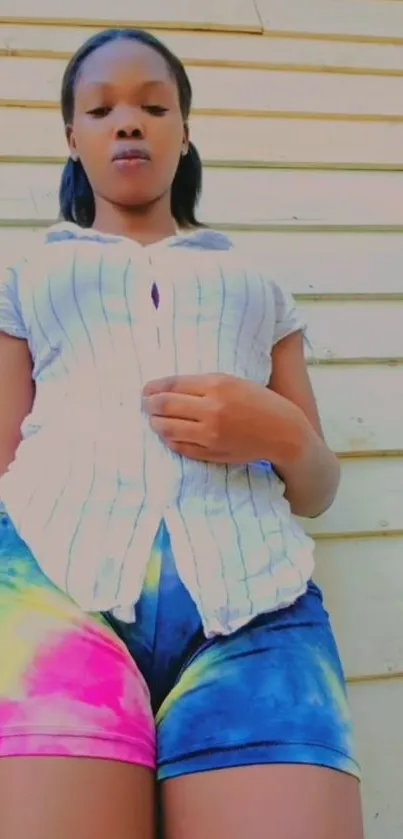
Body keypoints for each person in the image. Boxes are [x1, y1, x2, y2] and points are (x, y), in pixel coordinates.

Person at [0, 27, 364, 839]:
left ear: (184, 129)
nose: (127, 122)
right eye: (101, 109)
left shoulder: (257, 286)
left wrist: (282, 433)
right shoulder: (26, 278)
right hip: (50, 595)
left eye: (152, 106)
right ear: (73, 137)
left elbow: (316, 487)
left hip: (258, 607)